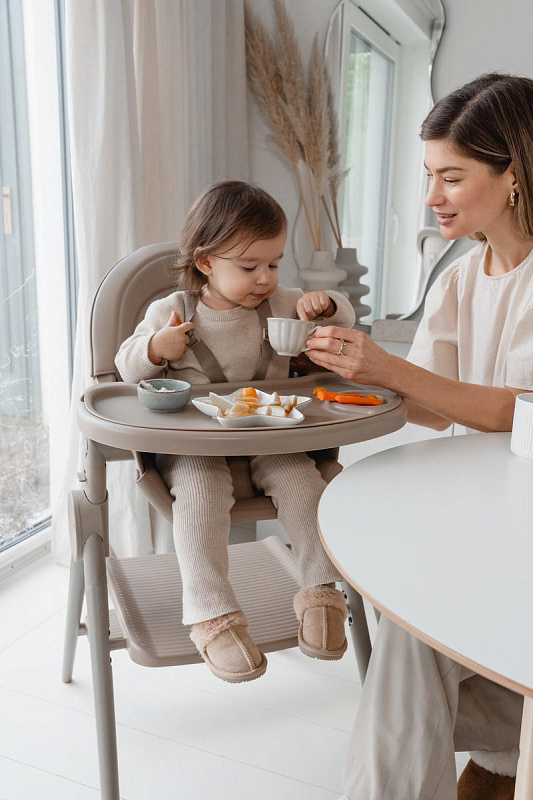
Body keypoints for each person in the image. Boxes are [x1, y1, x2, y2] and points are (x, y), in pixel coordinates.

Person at [306, 73, 533, 799]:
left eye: (451, 177)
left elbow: (520, 412)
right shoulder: (460, 278)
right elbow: (432, 406)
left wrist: (389, 368)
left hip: (520, 531)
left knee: (410, 651)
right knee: (407, 633)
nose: (431, 196)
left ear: (514, 176)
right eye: (428, 175)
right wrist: (340, 375)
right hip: (479, 515)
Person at [116, 181, 355, 684]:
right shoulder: (173, 311)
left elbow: (343, 317)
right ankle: (212, 616)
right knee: (200, 498)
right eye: (249, 267)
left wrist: (327, 307)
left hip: (270, 434)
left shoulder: (283, 302)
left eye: (275, 263)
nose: (265, 278)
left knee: (305, 487)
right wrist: (157, 348)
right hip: (196, 448)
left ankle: (321, 593)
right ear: (206, 262)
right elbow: (126, 367)